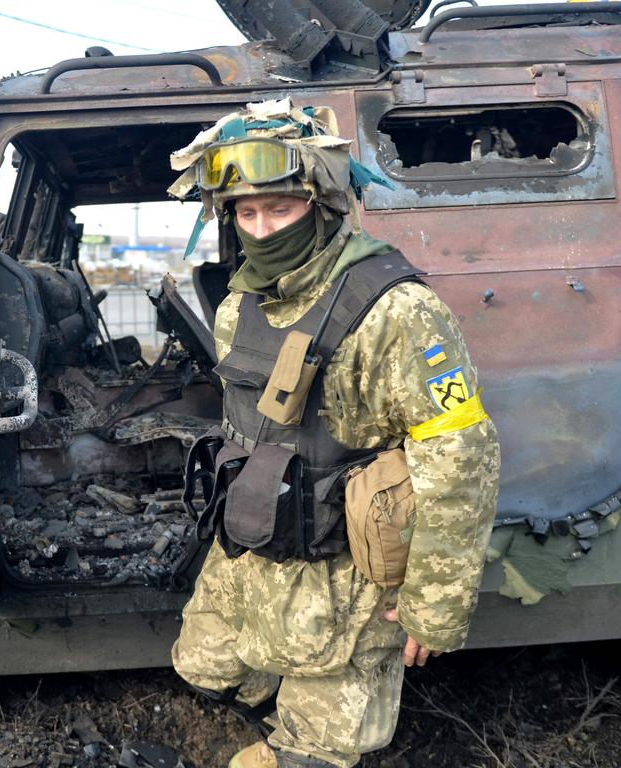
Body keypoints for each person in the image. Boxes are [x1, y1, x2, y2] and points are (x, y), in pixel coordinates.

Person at [168, 100, 501, 768]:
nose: (260, 228)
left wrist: (431, 606)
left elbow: (461, 458)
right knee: (201, 669)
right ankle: (277, 688)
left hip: (345, 568)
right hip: (256, 542)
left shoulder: (397, 310)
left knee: (309, 754)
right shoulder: (240, 303)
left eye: (279, 209)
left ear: (320, 205)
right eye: (245, 212)